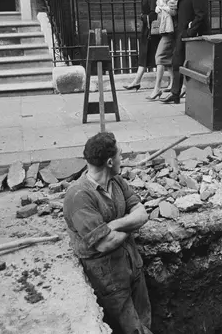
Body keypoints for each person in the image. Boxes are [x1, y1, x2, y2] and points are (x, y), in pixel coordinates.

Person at [63, 132, 152, 334]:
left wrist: (114, 225)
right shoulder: (79, 196)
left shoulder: (117, 182)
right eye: (121, 155)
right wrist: (129, 227)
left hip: (133, 267)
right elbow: (105, 244)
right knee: (132, 330)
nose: (124, 159)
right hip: (109, 280)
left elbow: (142, 214)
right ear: (110, 161)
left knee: (145, 321)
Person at [160, 0, 210, 104]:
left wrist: (189, 32)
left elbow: (201, 15)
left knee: (195, 66)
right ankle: (175, 93)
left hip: (193, 36)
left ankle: (183, 94)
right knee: (177, 62)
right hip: (184, 34)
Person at [147, 0, 178, 100]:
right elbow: (159, 3)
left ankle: (157, 88)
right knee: (168, 59)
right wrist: (159, 7)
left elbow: (173, 9)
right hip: (165, 27)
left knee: (159, 57)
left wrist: (162, 7)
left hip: (171, 29)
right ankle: (173, 84)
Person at [125, 0, 160, 91]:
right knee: (145, 56)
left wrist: (142, 17)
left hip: (153, 31)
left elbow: (154, 14)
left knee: (161, 58)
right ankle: (136, 81)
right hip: (148, 30)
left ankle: (175, 83)